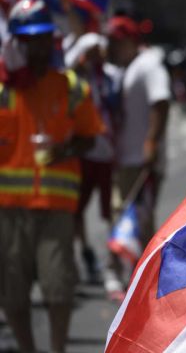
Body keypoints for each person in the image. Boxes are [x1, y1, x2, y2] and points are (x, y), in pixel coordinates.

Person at [0, 0, 103, 353]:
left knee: (59, 285)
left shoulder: (71, 86)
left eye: (42, 38)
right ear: (15, 42)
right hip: (8, 208)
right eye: (27, 40)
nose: (36, 47)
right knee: (11, 288)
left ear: (52, 40)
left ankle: (56, 350)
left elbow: (90, 138)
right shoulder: (3, 88)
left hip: (56, 205)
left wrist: (65, 149)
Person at [104, 15, 170, 298]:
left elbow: (161, 102)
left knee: (135, 220)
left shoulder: (148, 65)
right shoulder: (129, 67)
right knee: (126, 218)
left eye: (115, 43)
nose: (111, 49)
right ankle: (138, 278)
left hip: (141, 160)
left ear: (130, 41)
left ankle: (140, 280)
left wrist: (151, 142)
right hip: (126, 157)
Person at [65, 32, 122, 284]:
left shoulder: (111, 76)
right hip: (84, 153)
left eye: (101, 49)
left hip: (108, 153)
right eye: (93, 51)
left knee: (111, 210)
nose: (100, 55)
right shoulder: (74, 78)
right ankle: (86, 254)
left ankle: (114, 259)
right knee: (76, 210)